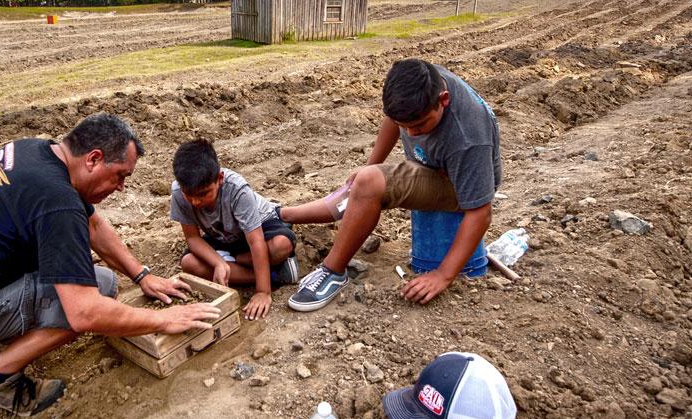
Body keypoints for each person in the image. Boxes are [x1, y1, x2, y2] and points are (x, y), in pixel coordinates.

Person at [0, 114, 220, 416]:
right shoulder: (57, 201)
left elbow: (93, 227)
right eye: (120, 176)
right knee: (101, 289)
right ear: (93, 159)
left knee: (79, 276)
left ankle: (6, 327)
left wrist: (142, 275)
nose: (121, 187)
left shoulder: (37, 153)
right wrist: (163, 320)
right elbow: (85, 313)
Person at [281, 58, 501, 311]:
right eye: (404, 126)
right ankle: (282, 214)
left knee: (368, 184)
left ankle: (333, 271)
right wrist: (370, 164)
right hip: (433, 165)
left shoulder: (468, 140)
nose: (412, 133)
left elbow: (480, 212)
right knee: (361, 183)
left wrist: (443, 275)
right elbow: (393, 120)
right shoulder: (418, 84)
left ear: (444, 100)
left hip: (458, 185)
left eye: (419, 125)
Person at [170, 138, 299, 320]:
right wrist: (218, 263)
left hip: (260, 228)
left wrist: (263, 292)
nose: (195, 202)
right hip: (223, 238)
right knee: (189, 263)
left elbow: (255, 241)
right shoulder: (178, 193)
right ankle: (275, 274)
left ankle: (249, 269)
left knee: (281, 245)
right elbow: (192, 239)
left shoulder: (237, 189)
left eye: (203, 194)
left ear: (220, 179)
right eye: (189, 195)